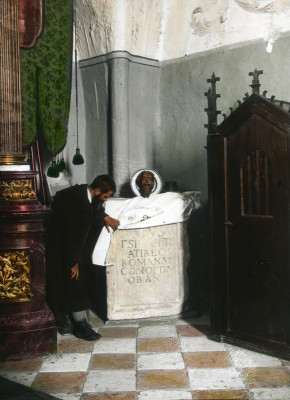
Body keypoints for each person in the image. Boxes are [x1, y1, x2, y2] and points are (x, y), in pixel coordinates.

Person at [45, 175, 119, 341]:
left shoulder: (81, 193)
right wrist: (74, 262)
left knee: (70, 283)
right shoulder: (78, 207)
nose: (105, 199)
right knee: (72, 281)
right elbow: (74, 237)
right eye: (105, 196)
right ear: (97, 190)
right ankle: (79, 326)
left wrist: (104, 217)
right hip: (64, 250)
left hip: (68, 248)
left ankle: (68, 321)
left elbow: (95, 209)